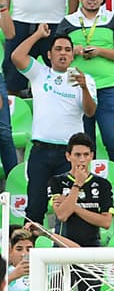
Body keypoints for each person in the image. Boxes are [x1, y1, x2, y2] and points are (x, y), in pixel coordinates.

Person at [8, 25, 94, 230]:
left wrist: (83, 87)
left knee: (68, 209)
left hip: (69, 154)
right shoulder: (40, 73)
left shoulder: (85, 79)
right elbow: (16, 56)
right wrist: (38, 35)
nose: (63, 53)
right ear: (49, 54)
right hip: (40, 150)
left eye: (67, 50)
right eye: (58, 49)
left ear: (73, 55)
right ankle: (30, 255)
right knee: (35, 207)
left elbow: (90, 111)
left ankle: (65, 257)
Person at [54, 0, 114, 187]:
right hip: (77, 88)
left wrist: (99, 51)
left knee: (113, 139)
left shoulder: (112, 19)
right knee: (83, 143)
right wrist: (73, 49)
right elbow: (56, 53)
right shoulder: (68, 22)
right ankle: (85, 186)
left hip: (106, 87)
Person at [48, 132, 112, 291]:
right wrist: (77, 185)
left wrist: (73, 206)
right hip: (61, 251)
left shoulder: (102, 185)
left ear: (92, 155)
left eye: (86, 154)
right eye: (77, 155)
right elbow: (62, 216)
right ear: (68, 156)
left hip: (90, 250)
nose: (82, 160)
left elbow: (106, 222)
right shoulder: (57, 182)